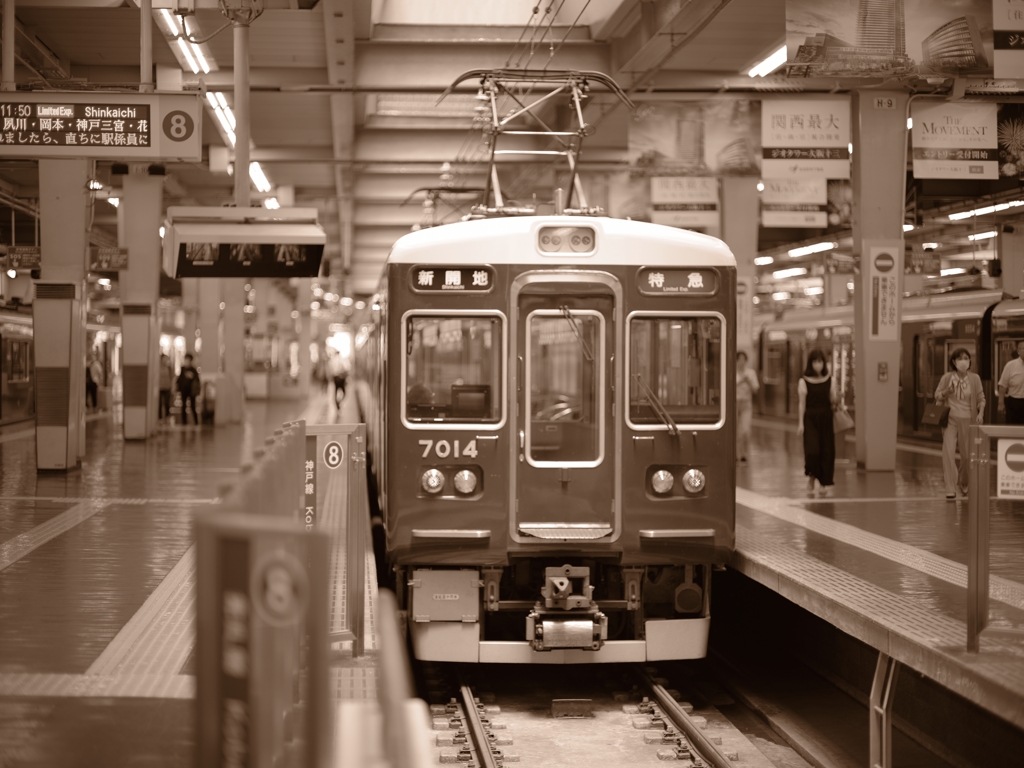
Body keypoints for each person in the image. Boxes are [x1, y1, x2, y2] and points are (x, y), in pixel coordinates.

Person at [935, 348, 985, 500]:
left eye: (966, 358)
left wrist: (981, 413)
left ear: (969, 361)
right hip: (950, 419)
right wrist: (945, 392)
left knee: (966, 455)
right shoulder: (947, 377)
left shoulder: (975, 379)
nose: (963, 361)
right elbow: (937, 394)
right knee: (948, 453)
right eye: (960, 358)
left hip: (968, 419)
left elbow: (981, 398)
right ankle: (950, 488)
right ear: (954, 362)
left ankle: (964, 481)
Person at [797, 349, 837, 497]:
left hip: (826, 418)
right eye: (815, 362)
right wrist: (800, 424)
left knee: (826, 450)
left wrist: (837, 398)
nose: (817, 365)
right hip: (810, 418)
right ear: (810, 363)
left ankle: (823, 482)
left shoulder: (830, 380)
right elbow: (802, 404)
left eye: (820, 361)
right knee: (812, 450)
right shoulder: (804, 381)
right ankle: (812, 477)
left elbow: (833, 400)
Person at [735, 351, 759, 463]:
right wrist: (741, 381)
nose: (741, 362)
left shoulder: (751, 373)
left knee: (745, 430)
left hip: (746, 405)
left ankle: (744, 454)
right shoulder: (732, 372)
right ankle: (736, 454)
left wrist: (748, 382)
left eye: (743, 359)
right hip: (734, 404)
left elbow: (755, 390)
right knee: (735, 431)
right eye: (739, 359)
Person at [997, 340, 1024, 425]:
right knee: (1014, 430)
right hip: (1015, 403)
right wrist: (1000, 404)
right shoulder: (1010, 365)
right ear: (1018, 351)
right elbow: (1003, 385)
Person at [177, 353, 201, 425]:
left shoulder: (193, 370)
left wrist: (192, 377)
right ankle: (184, 422)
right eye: (186, 359)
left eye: (188, 360)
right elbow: (180, 379)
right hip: (184, 390)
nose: (186, 361)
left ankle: (196, 422)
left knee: (193, 406)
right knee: (183, 406)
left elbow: (197, 380)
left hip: (191, 391)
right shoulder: (183, 369)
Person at [158, 353, 174, 421]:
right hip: (160, 388)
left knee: (167, 403)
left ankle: (167, 417)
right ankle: (160, 418)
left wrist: (172, 387)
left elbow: (172, 378)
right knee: (160, 403)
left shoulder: (169, 368)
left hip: (167, 387)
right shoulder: (157, 367)